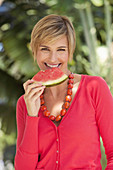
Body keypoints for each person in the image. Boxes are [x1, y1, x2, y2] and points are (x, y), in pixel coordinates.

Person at [14, 14, 113, 170]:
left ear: (70, 52)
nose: (53, 59)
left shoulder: (94, 88)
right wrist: (32, 115)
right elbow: (23, 168)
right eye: (45, 49)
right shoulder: (24, 103)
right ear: (34, 52)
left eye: (61, 49)